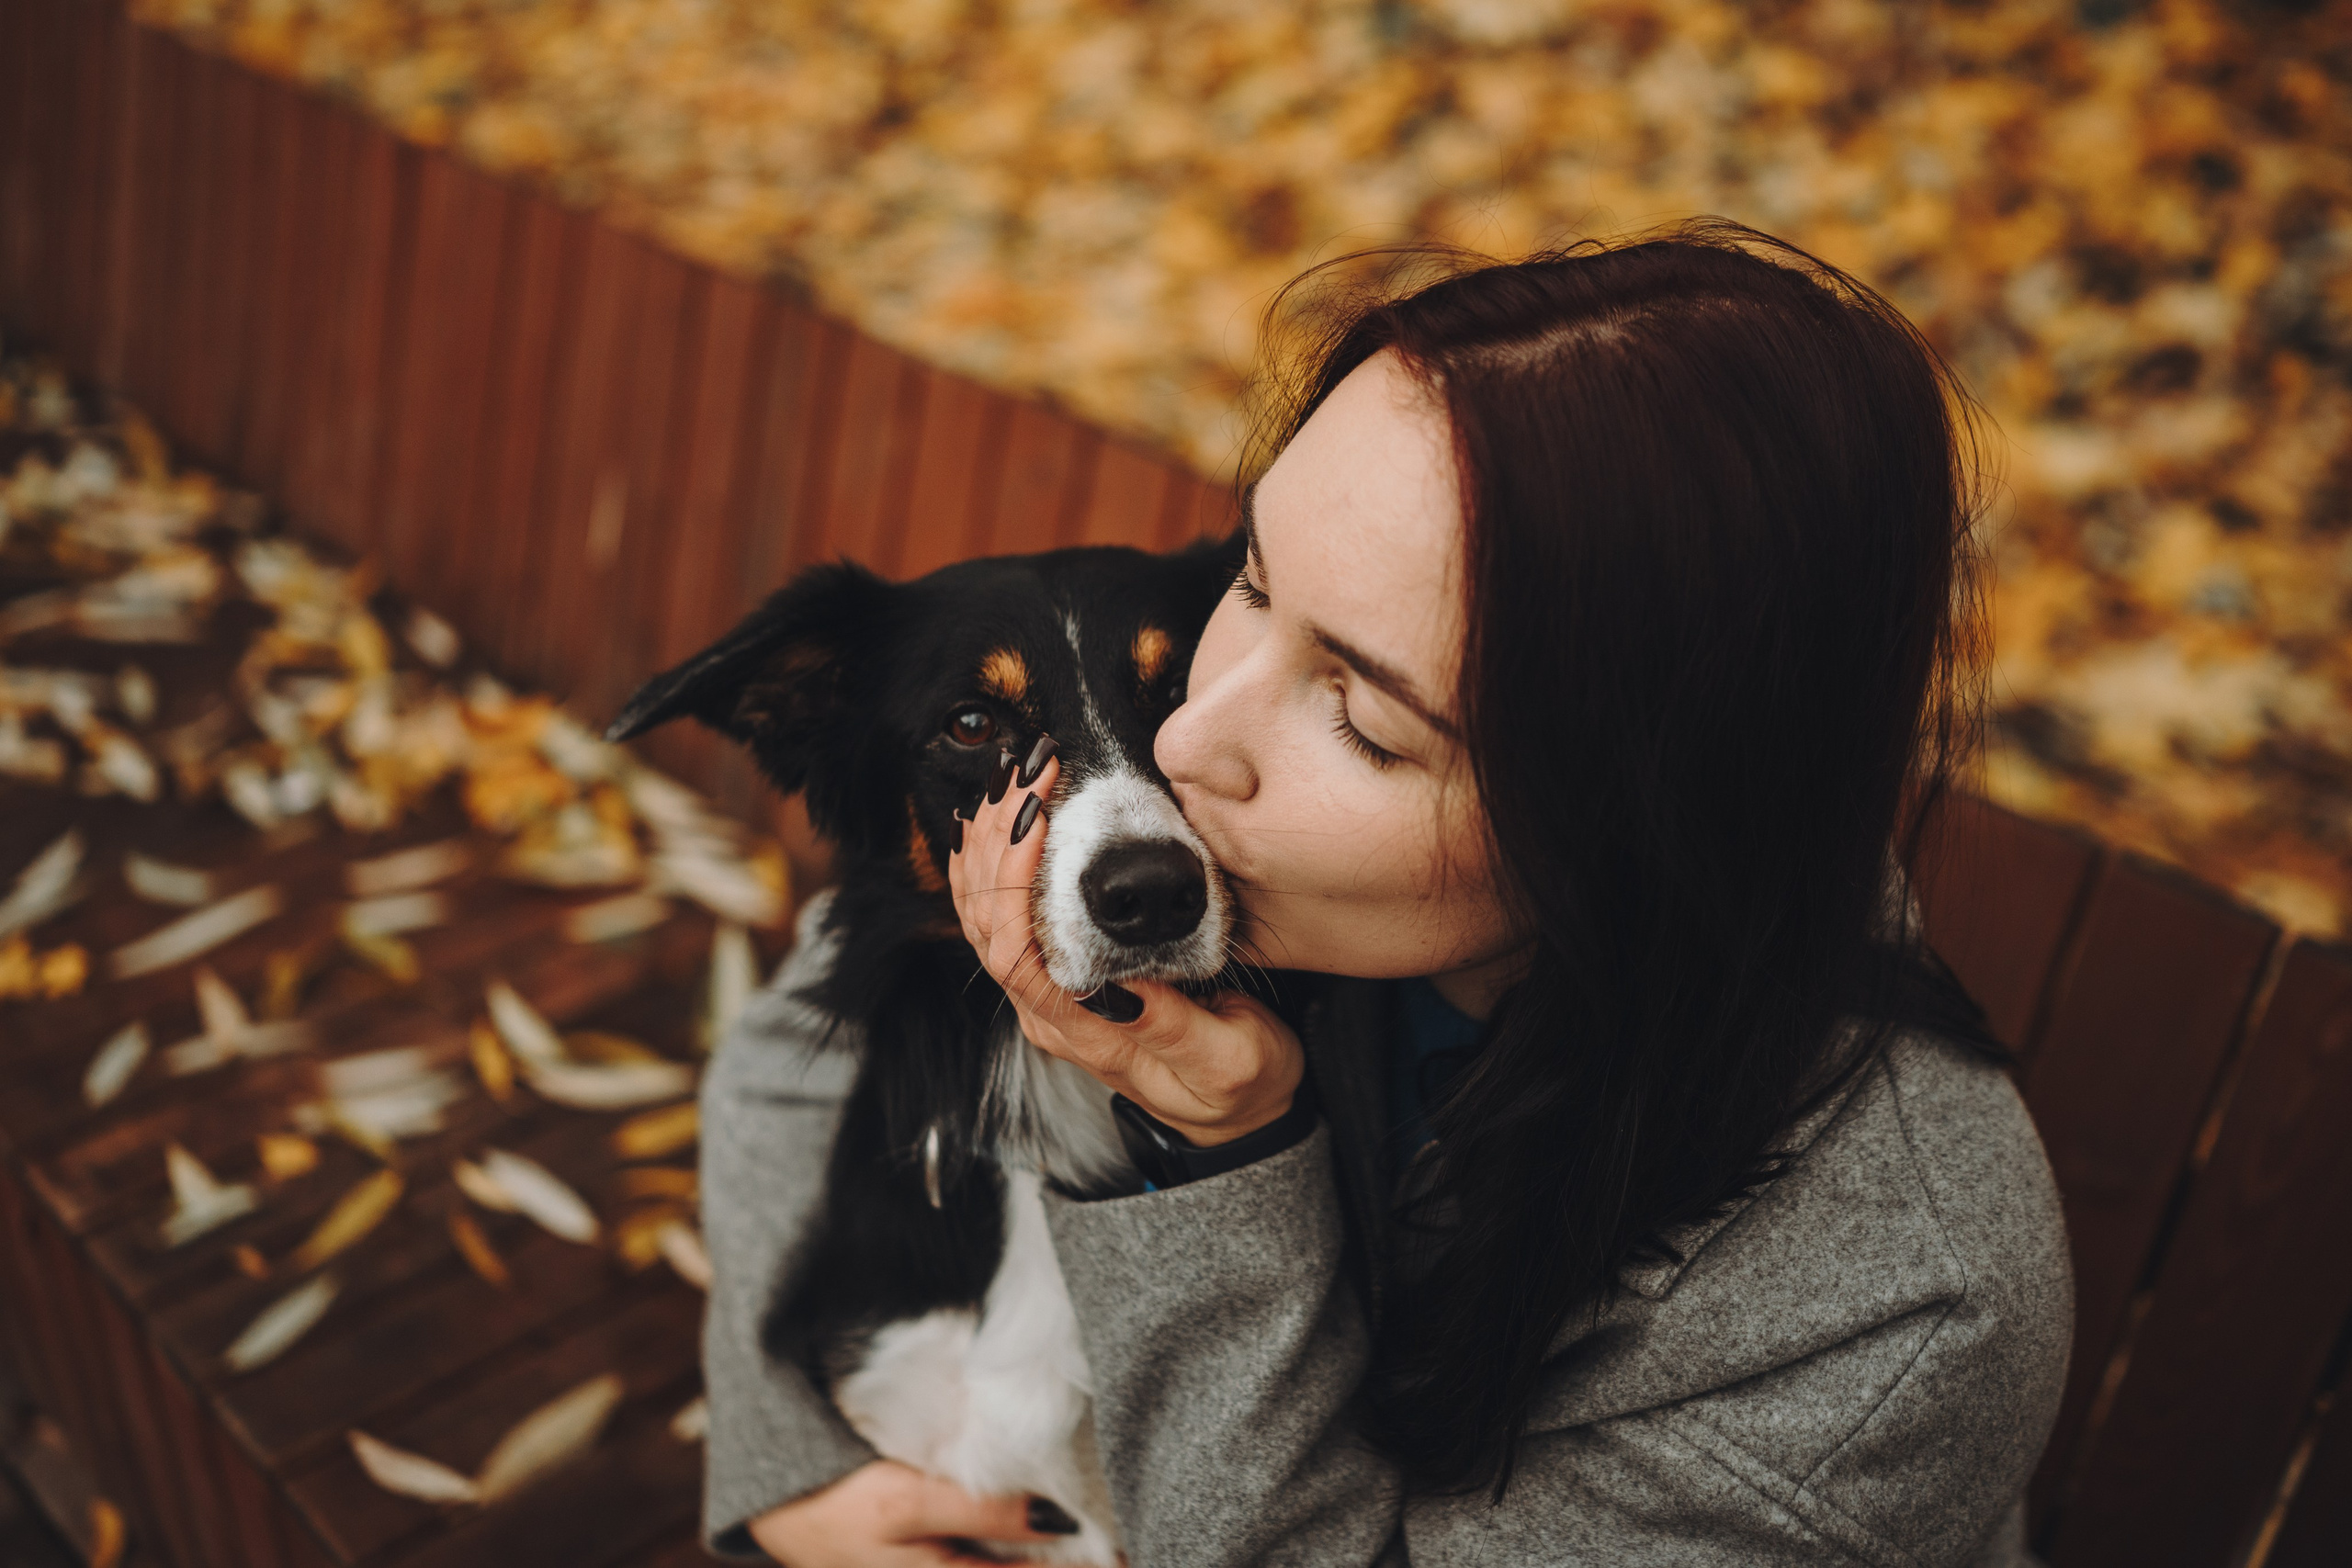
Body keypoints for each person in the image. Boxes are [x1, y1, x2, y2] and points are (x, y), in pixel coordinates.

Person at [699, 221, 2074, 1567]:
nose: (1184, 743)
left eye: (1361, 717)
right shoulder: (1258, 859)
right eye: (1251, 582)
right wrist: (794, 1473)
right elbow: (808, 1039)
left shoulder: (1896, 1323)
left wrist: (1225, 1162)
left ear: (1632, 822)